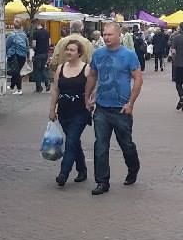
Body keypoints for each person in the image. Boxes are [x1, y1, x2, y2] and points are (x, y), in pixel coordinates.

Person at [85, 22, 143, 196]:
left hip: (121, 109)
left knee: (126, 144)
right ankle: (102, 181)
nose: (107, 37)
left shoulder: (129, 55)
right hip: (102, 107)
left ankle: (133, 167)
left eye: (110, 34)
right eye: (105, 34)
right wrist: (87, 96)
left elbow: (138, 79)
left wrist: (130, 103)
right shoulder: (98, 54)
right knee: (100, 145)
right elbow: (93, 75)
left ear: (119, 35)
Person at [48, 40, 91, 187]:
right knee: (74, 141)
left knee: (71, 141)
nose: (68, 52)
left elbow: (95, 87)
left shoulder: (86, 69)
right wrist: (52, 109)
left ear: (79, 53)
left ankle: (63, 173)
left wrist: (91, 101)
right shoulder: (60, 68)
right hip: (64, 111)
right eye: (67, 50)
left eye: (72, 50)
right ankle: (82, 169)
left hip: (80, 112)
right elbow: (55, 89)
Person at [6, 19, 29, 95]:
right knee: (16, 71)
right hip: (22, 56)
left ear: (13, 26)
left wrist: (6, 54)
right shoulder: (24, 35)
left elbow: (7, 45)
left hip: (14, 55)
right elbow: (27, 46)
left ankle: (19, 89)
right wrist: (28, 56)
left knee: (16, 72)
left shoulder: (11, 35)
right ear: (21, 26)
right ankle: (12, 86)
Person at [31, 20, 51, 93]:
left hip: (38, 54)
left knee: (37, 71)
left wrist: (34, 49)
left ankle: (39, 87)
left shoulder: (35, 33)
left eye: (33, 25)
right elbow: (49, 43)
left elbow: (34, 45)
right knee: (43, 69)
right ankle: (47, 82)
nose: (33, 27)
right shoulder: (47, 32)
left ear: (36, 24)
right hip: (45, 54)